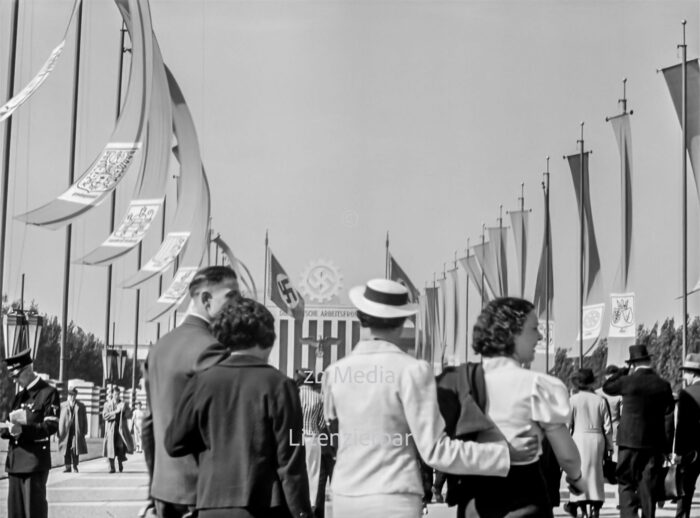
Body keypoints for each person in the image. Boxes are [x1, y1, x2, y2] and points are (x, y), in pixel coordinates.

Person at [323, 279, 521, 518]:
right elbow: (435, 450)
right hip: (394, 496)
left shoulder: (334, 372)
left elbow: (334, 434)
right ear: (402, 322)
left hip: (346, 496)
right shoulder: (412, 370)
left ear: (361, 317)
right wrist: (501, 455)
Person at [165, 296, 313, 518]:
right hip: (264, 506)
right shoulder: (281, 386)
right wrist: (302, 513)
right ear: (268, 338)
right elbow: (290, 463)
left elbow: (174, 442)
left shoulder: (201, 382)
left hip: (210, 504)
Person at [465, 297, 585, 518]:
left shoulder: (463, 384)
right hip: (523, 496)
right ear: (512, 333)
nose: (540, 336)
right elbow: (567, 456)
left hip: (474, 500)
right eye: (534, 329)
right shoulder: (538, 386)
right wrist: (576, 478)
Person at [142, 265, 239, 518]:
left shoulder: (159, 348)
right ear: (206, 299)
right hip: (200, 493)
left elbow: (149, 424)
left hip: (165, 489)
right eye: (231, 296)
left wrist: (154, 486)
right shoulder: (212, 350)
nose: (237, 304)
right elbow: (223, 428)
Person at [603, 344, 675, 518]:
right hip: (653, 445)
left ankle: (629, 515)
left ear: (633, 364)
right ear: (649, 360)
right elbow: (668, 419)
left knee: (625, 482)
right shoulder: (663, 385)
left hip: (628, 442)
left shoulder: (628, 381)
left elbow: (607, 386)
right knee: (648, 485)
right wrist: (666, 449)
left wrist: (622, 371)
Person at [0, 349, 59, 518]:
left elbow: (50, 426)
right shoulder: (18, 397)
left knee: (34, 513)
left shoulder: (48, 393)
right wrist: (6, 429)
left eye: (16, 376)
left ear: (27, 370)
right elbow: (8, 424)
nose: (14, 380)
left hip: (34, 463)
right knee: (15, 514)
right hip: (15, 463)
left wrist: (23, 430)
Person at [564, 368, 613, 518]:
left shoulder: (572, 400)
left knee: (580, 474)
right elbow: (607, 427)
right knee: (596, 475)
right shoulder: (600, 400)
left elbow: (567, 426)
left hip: (578, 439)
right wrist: (610, 446)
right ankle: (596, 507)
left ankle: (583, 509)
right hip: (597, 439)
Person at [295, 369, 325, 517]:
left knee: (296, 470)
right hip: (313, 437)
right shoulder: (319, 397)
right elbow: (321, 423)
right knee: (313, 473)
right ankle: (311, 505)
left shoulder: (295, 395)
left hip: (295, 437)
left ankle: (296, 504)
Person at [674, 352, 700, 518]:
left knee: (686, 488)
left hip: (692, 449)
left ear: (692, 373)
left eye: (686, 372)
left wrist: (678, 451)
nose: (684, 376)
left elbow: (681, 426)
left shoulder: (686, 394)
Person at [102, 387, 134, 473]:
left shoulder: (124, 404)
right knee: (110, 447)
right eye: (115, 394)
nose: (117, 396)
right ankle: (111, 467)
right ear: (112, 394)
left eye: (118, 394)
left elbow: (129, 415)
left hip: (121, 429)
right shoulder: (107, 404)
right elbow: (105, 416)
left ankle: (120, 462)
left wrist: (124, 411)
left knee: (120, 446)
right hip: (111, 429)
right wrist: (115, 412)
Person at [58, 387, 88, 473]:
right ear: (68, 395)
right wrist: (58, 431)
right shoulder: (62, 405)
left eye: (73, 395)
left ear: (76, 395)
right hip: (65, 431)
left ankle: (75, 466)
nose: (72, 397)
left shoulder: (81, 406)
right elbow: (59, 419)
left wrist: (85, 430)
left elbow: (85, 419)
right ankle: (67, 467)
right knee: (66, 448)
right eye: (70, 395)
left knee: (75, 448)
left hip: (76, 430)